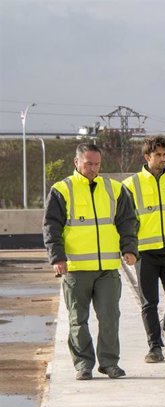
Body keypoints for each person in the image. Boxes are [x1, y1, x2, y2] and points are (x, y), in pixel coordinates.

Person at [43, 143, 138, 380]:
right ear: (76, 162)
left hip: (107, 268)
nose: (93, 168)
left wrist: (129, 248)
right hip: (76, 268)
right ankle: (83, 365)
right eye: (88, 164)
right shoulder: (62, 189)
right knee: (78, 320)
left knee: (109, 317)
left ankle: (109, 363)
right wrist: (57, 257)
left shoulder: (114, 189)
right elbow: (51, 226)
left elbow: (127, 221)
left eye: (97, 164)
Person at [123, 136, 165, 364]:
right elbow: (126, 220)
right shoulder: (131, 185)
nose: (162, 159)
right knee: (149, 302)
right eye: (158, 155)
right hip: (145, 252)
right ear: (147, 157)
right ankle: (155, 347)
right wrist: (127, 247)